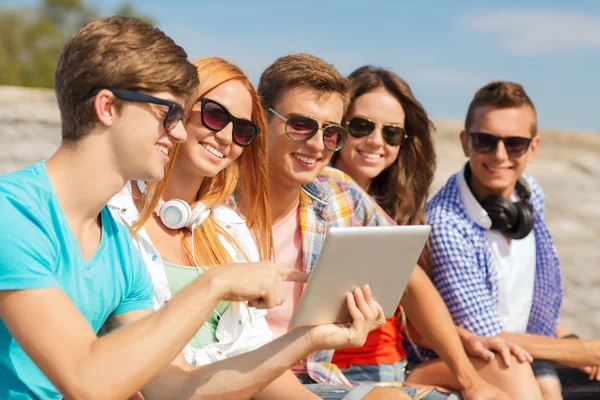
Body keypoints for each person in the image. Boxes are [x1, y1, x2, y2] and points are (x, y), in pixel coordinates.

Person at [0, 18, 384, 399]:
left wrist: (310, 338)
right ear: (108, 107)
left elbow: (174, 388)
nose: (180, 131)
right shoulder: (13, 214)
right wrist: (216, 282)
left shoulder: (115, 242)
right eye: (169, 113)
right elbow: (87, 382)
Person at [255, 53, 526, 400]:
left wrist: (471, 377)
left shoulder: (342, 195)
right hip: (313, 377)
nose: (316, 142)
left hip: (337, 374)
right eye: (361, 127)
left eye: (392, 133)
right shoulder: (221, 208)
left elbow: (414, 283)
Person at [109, 56, 349, 399]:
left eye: (242, 130)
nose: (225, 137)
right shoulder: (115, 216)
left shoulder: (229, 229)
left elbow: (252, 359)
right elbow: (167, 384)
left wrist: (316, 337)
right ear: (176, 112)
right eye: (214, 115)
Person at [329, 66, 542, 400]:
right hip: (339, 372)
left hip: (399, 365)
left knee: (512, 368)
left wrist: (464, 339)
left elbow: (410, 313)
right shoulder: (315, 200)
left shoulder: (398, 210)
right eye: (361, 126)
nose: (376, 141)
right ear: (336, 128)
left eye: (392, 133)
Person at [425, 80, 600, 399]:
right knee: (545, 389)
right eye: (485, 141)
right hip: (471, 355)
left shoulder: (530, 193)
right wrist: (586, 351)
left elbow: (529, 292)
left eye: (515, 144)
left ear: (533, 148)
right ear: (466, 143)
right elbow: (487, 335)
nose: (500, 155)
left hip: (525, 347)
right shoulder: (446, 224)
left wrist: (569, 339)